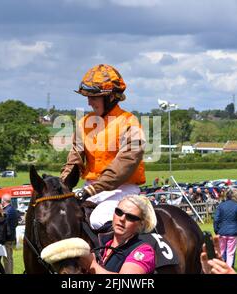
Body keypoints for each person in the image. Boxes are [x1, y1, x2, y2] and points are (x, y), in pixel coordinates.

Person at [60, 64, 146, 231]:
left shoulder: (129, 122)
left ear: (111, 97)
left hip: (122, 188)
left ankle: (113, 257)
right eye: (87, 97)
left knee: (98, 220)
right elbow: (74, 161)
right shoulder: (83, 123)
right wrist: (60, 186)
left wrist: (93, 189)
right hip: (91, 189)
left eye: (94, 97)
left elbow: (124, 165)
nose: (89, 102)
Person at [79, 195, 156, 274]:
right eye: (119, 212)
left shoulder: (144, 250)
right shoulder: (103, 243)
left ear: (141, 224)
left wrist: (92, 265)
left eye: (130, 217)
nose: (122, 219)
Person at [213, 188, 237, 268]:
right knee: (230, 253)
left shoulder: (221, 206)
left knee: (221, 252)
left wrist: (217, 230)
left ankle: (220, 269)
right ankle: (228, 270)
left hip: (222, 232)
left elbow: (216, 219)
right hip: (233, 233)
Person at [1, 194, 18, 274]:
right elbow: (16, 223)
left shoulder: (6, 211)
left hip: (7, 238)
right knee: (10, 258)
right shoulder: (13, 209)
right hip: (12, 237)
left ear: (3, 201)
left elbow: (4, 225)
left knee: (7, 259)